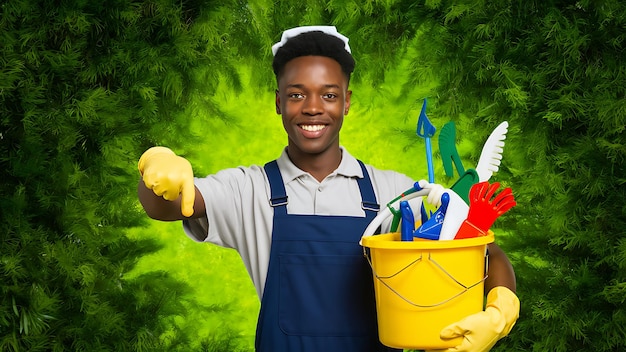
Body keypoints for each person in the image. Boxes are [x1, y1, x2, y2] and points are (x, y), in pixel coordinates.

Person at [137, 26, 520, 352]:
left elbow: (483, 253)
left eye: (329, 94)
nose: (313, 108)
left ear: (347, 102)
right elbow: (169, 205)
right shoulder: (249, 190)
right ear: (278, 102)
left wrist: (500, 311)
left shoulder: (395, 196)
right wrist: (158, 169)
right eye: (297, 94)